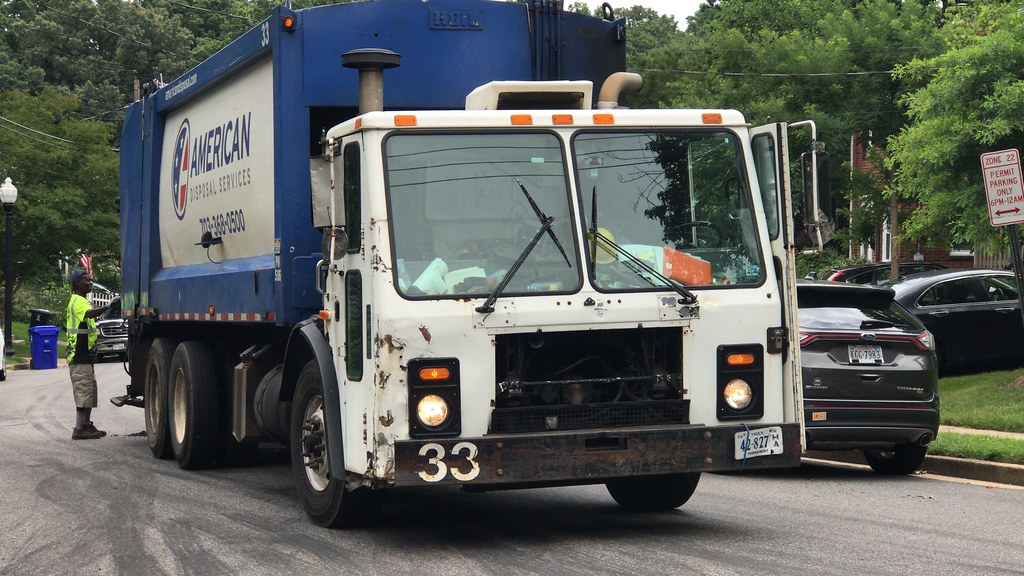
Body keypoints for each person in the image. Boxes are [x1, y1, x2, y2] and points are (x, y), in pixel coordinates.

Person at [66, 268, 119, 440]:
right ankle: (79, 428)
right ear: (77, 283)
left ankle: (86, 426)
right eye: (86, 280)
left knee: (88, 390)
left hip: (84, 355)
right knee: (83, 390)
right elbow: (89, 314)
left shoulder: (81, 300)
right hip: (78, 354)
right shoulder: (77, 301)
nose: (90, 283)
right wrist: (108, 305)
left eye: (90, 280)